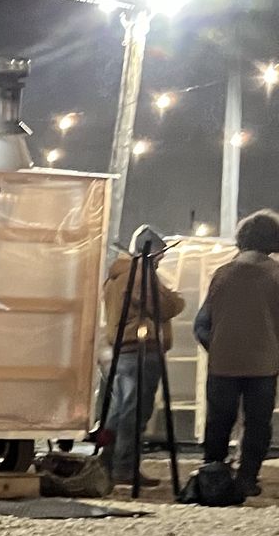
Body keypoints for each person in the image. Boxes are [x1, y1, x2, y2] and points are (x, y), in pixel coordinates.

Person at [194, 209, 279, 498]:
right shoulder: (276, 275)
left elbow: (201, 324)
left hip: (223, 363)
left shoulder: (222, 273)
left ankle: (212, 477)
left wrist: (217, 347)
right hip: (264, 364)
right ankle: (247, 478)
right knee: (257, 425)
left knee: (218, 422)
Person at [101, 226, 185, 489]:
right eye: (160, 254)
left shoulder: (118, 275)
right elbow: (166, 306)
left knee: (119, 411)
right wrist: (177, 299)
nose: (162, 259)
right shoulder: (140, 275)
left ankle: (106, 464)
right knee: (135, 412)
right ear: (152, 253)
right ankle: (125, 467)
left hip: (121, 351)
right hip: (141, 351)